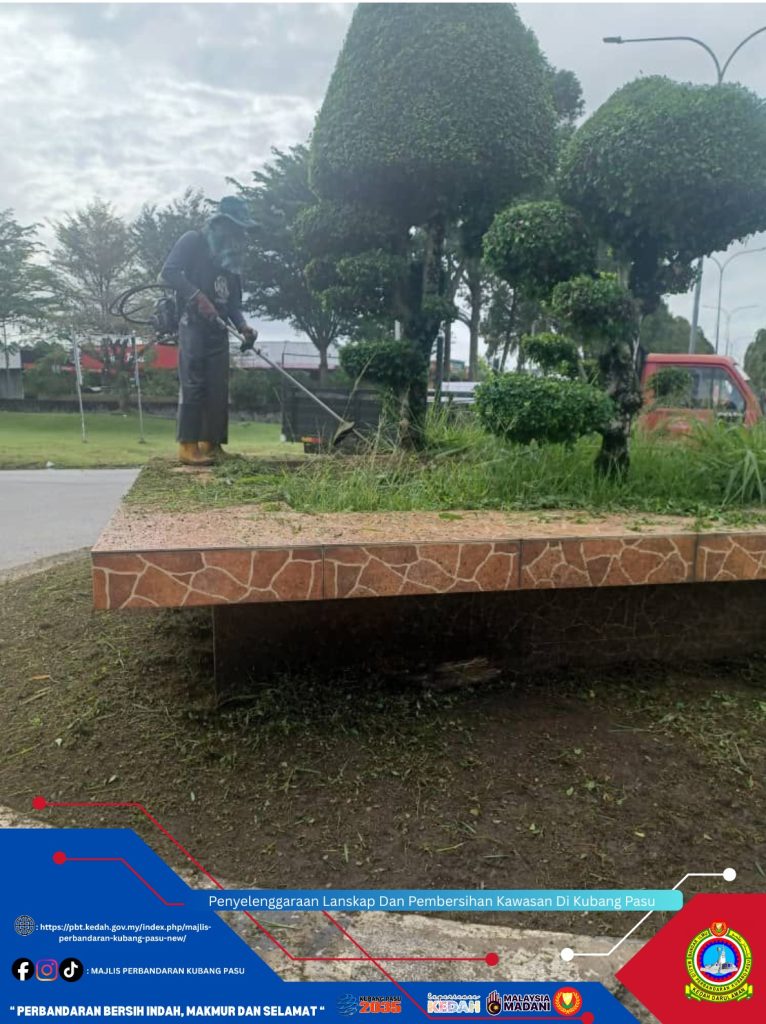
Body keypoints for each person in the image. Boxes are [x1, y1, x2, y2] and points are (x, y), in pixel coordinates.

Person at [160, 196, 258, 465]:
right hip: (193, 324)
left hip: (219, 328)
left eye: (242, 230)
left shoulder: (231, 261)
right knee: (194, 383)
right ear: (220, 224)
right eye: (235, 228)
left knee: (218, 386)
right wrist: (197, 296)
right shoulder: (194, 240)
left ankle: (212, 444)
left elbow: (233, 304)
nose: (239, 235)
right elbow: (169, 272)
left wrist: (243, 326)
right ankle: (188, 446)